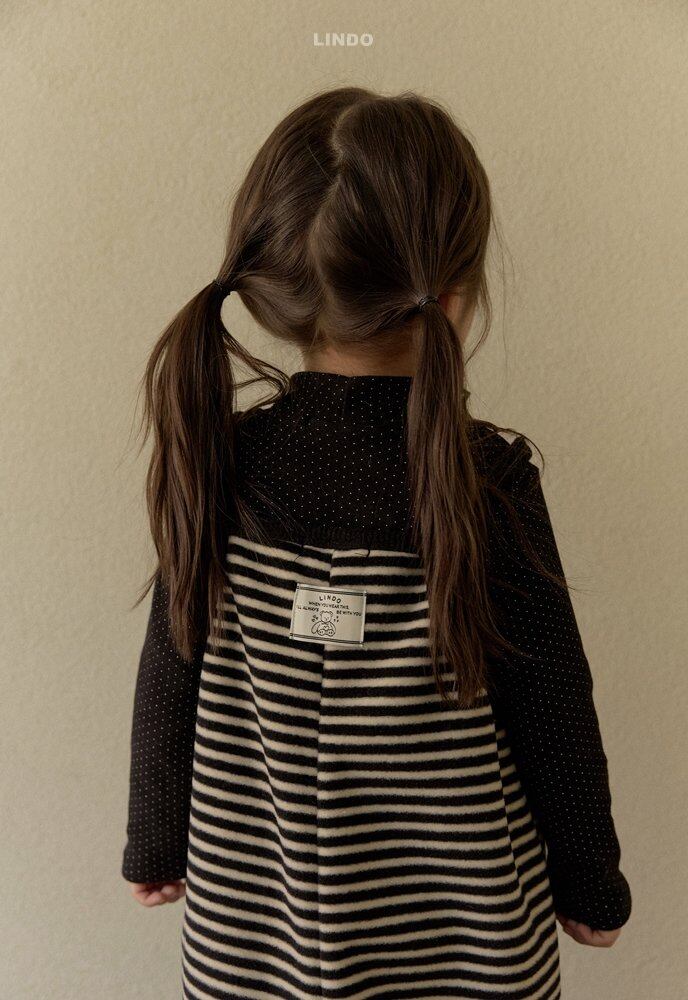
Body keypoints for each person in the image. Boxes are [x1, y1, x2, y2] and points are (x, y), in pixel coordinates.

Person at [121, 87, 631, 999]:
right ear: (453, 295)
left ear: (278, 288)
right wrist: (589, 878)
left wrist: (154, 838)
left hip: (254, 932)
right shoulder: (486, 481)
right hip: (466, 941)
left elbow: (171, 667)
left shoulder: (224, 464)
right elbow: (553, 702)